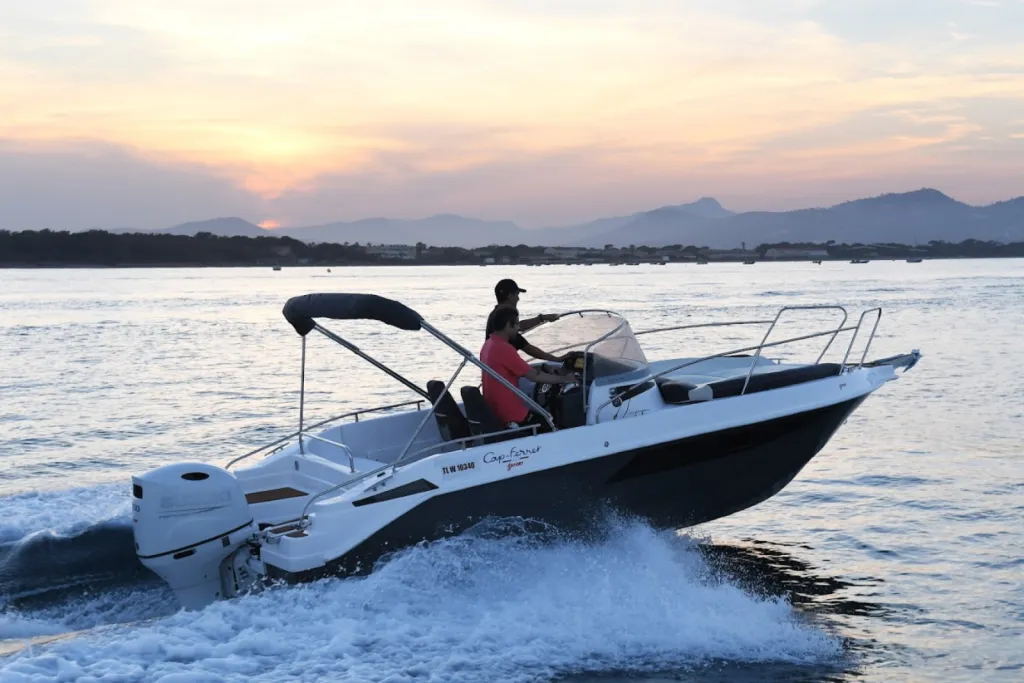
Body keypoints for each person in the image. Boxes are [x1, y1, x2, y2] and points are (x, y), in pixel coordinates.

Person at [481, 307, 573, 430]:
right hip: (512, 416)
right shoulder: (504, 348)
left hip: (496, 411)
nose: (518, 328)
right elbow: (534, 376)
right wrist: (565, 379)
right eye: (517, 324)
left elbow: (515, 368)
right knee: (548, 424)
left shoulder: (488, 345)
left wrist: (544, 366)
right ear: (508, 325)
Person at [485, 278, 566, 363]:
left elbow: (519, 326)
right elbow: (529, 349)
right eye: (517, 294)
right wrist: (558, 360)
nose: (518, 299)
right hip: (501, 371)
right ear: (510, 296)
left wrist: (542, 318)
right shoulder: (507, 329)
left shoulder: (495, 315)